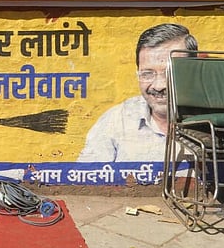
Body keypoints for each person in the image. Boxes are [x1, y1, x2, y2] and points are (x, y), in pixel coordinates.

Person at [77, 23, 198, 163]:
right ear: (137, 74)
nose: (159, 86)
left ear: (194, 72)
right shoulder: (116, 121)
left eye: (170, 73)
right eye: (147, 74)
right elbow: (85, 178)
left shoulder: (219, 121)